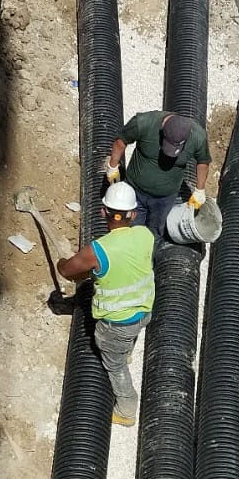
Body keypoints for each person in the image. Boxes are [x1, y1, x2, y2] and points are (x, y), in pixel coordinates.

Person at [56, 180, 154, 426]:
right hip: (144, 311)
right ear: (133, 214)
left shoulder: (98, 250)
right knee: (128, 338)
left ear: (103, 212)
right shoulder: (145, 235)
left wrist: (62, 263)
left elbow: (69, 271)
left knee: (115, 365)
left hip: (116, 324)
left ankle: (127, 409)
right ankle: (127, 352)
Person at [105, 111, 212, 240]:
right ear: (162, 131)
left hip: (165, 199)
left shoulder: (198, 137)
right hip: (135, 191)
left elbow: (203, 162)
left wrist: (199, 190)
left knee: (154, 232)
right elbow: (121, 141)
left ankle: (149, 254)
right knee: (131, 230)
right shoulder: (144, 123)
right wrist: (112, 166)